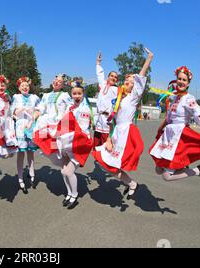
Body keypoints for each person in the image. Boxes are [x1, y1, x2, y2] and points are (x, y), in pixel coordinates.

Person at [93, 48, 154, 200]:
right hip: (116, 133)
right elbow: (113, 120)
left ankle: (132, 184)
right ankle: (132, 184)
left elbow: (140, 77)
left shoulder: (134, 97)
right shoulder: (119, 98)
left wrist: (148, 60)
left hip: (126, 133)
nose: (128, 82)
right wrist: (108, 139)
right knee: (108, 164)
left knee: (114, 166)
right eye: (126, 80)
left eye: (131, 82)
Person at [150, 66, 200, 182]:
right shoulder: (175, 97)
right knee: (158, 170)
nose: (181, 82)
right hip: (168, 135)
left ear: (188, 83)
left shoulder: (188, 99)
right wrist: (159, 129)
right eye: (179, 79)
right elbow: (168, 118)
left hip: (178, 137)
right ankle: (181, 165)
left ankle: (197, 171)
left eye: (184, 80)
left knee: (166, 176)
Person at [49, 77, 94, 209]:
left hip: (79, 145)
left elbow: (84, 129)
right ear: (71, 94)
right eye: (74, 93)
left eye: (79, 93)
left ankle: (74, 195)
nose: (76, 96)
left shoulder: (85, 109)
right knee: (63, 171)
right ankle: (69, 194)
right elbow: (64, 123)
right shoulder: (70, 108)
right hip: (67, 142)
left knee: (69, 171)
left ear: (83, 94)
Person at [11, 77, 40, 193]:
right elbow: (13, 112)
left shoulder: (34, 97)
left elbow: (39, 110)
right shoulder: (16, 97)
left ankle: (32, 173)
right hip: (20, 127)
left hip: (31, 126)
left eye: (26, 85)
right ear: (18, 87)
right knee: (21, 153)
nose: (25, 87)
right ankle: (20, 178)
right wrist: (21, 109)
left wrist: (33, 118)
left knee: (31, 152)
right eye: (22, 85)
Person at [94, 52, 119, 148]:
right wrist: (98, 63)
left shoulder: (117, 90)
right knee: (96, 145)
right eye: (112, 75)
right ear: (108, 77)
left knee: (105, 145)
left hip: (108, 119)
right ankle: (96, 161)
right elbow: (99, 75)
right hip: (99, 118)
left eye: (116, 77)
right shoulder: (103, 84)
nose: (113, 77)